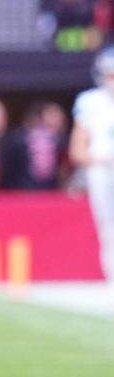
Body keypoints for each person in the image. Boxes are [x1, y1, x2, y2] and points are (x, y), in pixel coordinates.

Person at [70, 47, 114, 296]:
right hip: (101, 169)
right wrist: (100, 159)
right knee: (109, 228)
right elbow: (78, 148)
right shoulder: (90, 102)